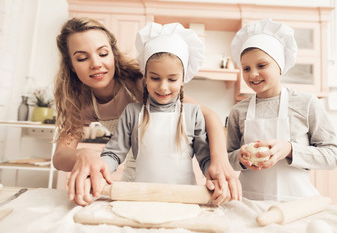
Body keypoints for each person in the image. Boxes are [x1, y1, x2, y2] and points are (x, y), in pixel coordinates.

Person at [53, 17, 241, 205]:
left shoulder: (141, 82)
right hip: (134, 174)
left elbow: (209, 116)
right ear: (71, 64)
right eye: (82, 58)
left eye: (103, 53)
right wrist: (84, 155)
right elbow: (62, 156)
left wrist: (219, 162)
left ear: (113, 54)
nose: (95, 64)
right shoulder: (82, 101)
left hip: (180, 187)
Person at [101, 22, 224, 203]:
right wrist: (100, 168)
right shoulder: (132, 113)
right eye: (155, 78)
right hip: (142, 196)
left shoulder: (193, 114)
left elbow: (205, 159)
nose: (163, 87)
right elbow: (114, 153)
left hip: (183, 198)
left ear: (183, 78)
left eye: (172, 79)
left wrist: (215, 176)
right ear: (145, 76)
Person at [227, 18, 337, 201]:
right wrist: (240, 158)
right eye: (246, 68)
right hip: (251, 202)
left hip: (297, 203)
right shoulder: (237, 111)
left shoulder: (306, 103)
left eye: (262, 65)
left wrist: (289, 149)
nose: (253, 74)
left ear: (280, 66)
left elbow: (333, 156)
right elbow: (227, 159)